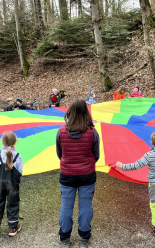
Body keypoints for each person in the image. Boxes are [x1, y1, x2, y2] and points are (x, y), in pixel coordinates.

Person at [56, 99, 100, 248]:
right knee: (86, 206)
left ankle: (65, 238)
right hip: (87, 175)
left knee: (66, 206)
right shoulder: (92, 132)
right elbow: (96, 155)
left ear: (70, 113)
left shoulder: (61, 131)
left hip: (67, 175)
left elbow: (59, 153)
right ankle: (84, 237)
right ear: (85, 113)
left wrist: (69, 162)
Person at [0, 131, 23, 239]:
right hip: (12, 184)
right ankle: (13, 228)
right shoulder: (17, 156)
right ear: (15, 142)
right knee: (13, 203)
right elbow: (20, 172)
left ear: (2, 141)